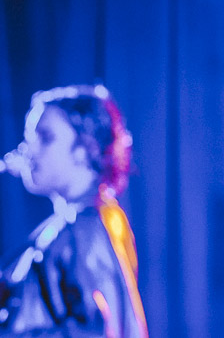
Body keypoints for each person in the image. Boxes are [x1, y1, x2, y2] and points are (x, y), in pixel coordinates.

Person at [0, 84, 148, 337]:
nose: (29, 149)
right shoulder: (82, 221)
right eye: (29, 137)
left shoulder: (86, 226)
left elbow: (95, 331)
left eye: (45, 137)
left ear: (84, 148)